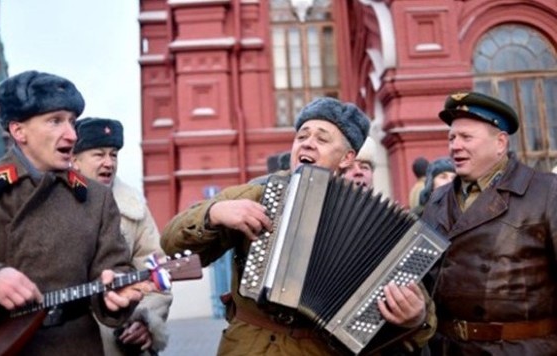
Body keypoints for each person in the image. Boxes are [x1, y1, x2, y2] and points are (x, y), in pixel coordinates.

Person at [161, 97, 436, 355]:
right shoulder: (258, 194)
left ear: (347, 158)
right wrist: (213, 213)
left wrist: (416, 317)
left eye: (322, 139)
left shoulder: (376, 222)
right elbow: (172, 243)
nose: (307, 143)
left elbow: (421, 318)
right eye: (302, 136)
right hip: (252, 347)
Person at [0, 71, 150, 355]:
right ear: (19, 131)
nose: (72, 134)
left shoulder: (96, 198)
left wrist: (119, 295)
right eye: (55, 121)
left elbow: (115, 269)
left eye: (72, 122)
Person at [421, 91, 557, 354]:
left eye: (466, 137)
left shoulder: (546, 192)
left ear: (500, 143)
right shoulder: (437, 200)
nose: (454, 146)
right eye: (451, 137)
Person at [72, 117, 172, 355]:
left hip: (118, 342)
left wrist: (145, 321)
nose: (109, 162)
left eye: (113, 154)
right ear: (74, 160)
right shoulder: (51, 203)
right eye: (99, 154)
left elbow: (157, 277)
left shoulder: (133, 208)